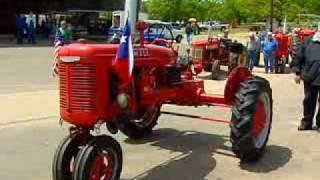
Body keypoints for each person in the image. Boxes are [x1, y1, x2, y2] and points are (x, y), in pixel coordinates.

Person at [291, 30, 320, 131]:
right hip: (310, 77)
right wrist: (297, 73)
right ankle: (307, 122)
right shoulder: (308, 41)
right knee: (308, 100)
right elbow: (299, 57)